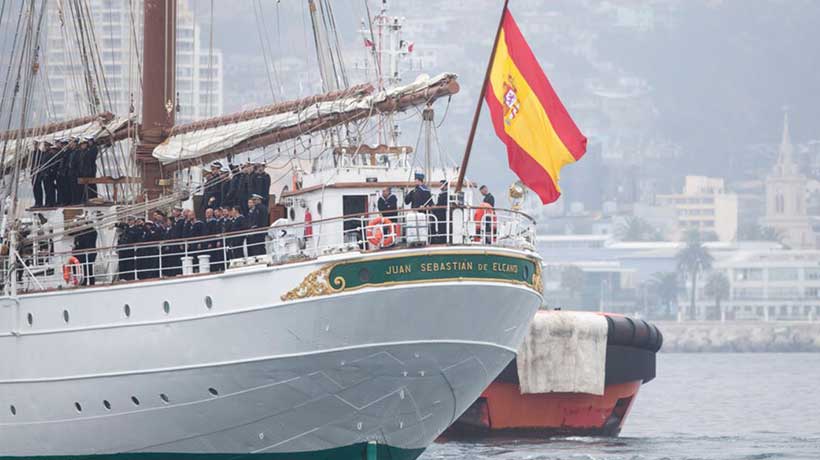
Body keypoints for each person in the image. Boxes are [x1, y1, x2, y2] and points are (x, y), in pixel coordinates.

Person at [72, 220, 98, 286]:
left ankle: (88, 282)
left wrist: (77, 246)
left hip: (89, 253)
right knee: (85, 269)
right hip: (83, 254)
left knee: (88, 268)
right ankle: (85, 281)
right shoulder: (81, 233)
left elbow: (84, 242)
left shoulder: (91, 232)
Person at [116, 216, 137, 281]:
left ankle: (129, 277)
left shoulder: (135, 229)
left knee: (129, 263)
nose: (129, 221)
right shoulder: (125, 229)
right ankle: (122, 277)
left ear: (133, 221)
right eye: (129, 220)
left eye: (131, 220)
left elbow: (134, 238)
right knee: (122, 263)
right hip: (122, 249)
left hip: (129, 249)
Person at [205, 207, 225, 272]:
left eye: (216, 212)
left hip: (215, 241)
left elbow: (215, 232)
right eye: (215, 213)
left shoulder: (215, 221)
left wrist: (213, 241)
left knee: (216, 256)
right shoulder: (212, 221)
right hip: (210, 241)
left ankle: (218, 268)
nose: (216, 214)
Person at [79, 137, 98, 201]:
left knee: (91, 184)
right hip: (85, 170)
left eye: (90, 141)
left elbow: (91, 159)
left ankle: (93, 197)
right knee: (87, 185)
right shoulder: (85, 151)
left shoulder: (93, 149)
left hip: (90, 169)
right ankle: (88, 198)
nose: (89, 143)